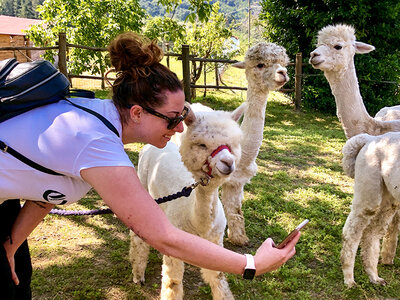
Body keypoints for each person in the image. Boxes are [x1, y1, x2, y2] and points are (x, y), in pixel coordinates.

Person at [0, 32, 300, 299]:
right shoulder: (98, 147)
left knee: (18, 280)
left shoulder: (98, 120)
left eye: (183, 116)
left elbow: (46, 193)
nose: (180, 129)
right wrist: (252, 265)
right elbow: (164, 237)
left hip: (5, 205)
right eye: (173, 118)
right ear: (138, 113)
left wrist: (11, 244)